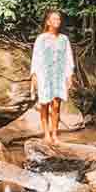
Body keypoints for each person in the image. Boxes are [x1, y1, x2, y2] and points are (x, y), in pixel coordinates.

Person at [30, 10, 75, 145]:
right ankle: (46, 135)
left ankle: (55, 134)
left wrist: (69, 76)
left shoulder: (64, 39)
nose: (57, 21)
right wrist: (34, 76)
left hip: (59, 75)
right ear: (48, 22)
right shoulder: (41, 38)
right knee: (45, 104)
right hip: (44, 75)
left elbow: (68, 58)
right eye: (54, 19)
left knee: (56, 105)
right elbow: (36, 58)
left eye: (59, 19)